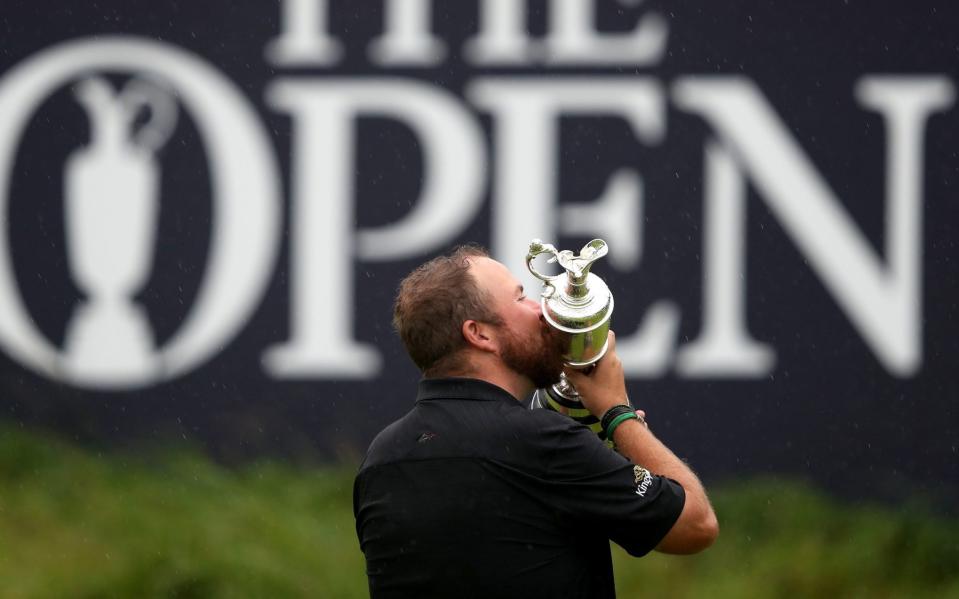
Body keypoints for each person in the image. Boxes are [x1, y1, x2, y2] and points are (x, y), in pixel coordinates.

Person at [353, 245, 718, 599]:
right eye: (520, 298)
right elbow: (695, 525)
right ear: (479, 334)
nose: (541, 311)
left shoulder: (380, 461)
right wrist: (617, 412)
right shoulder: (543, 443)